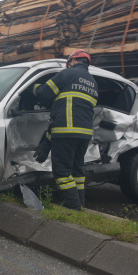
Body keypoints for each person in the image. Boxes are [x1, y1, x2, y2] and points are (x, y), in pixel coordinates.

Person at [33, 49, 98, 210]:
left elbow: (45, 93)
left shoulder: (67, 74)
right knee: (77, 171)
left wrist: (33, 88)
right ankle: (81, 205)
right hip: (85, 134)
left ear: (72, 61)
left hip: (66, 131)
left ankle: (74, 208)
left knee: (62, 171)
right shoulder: (93, 83)